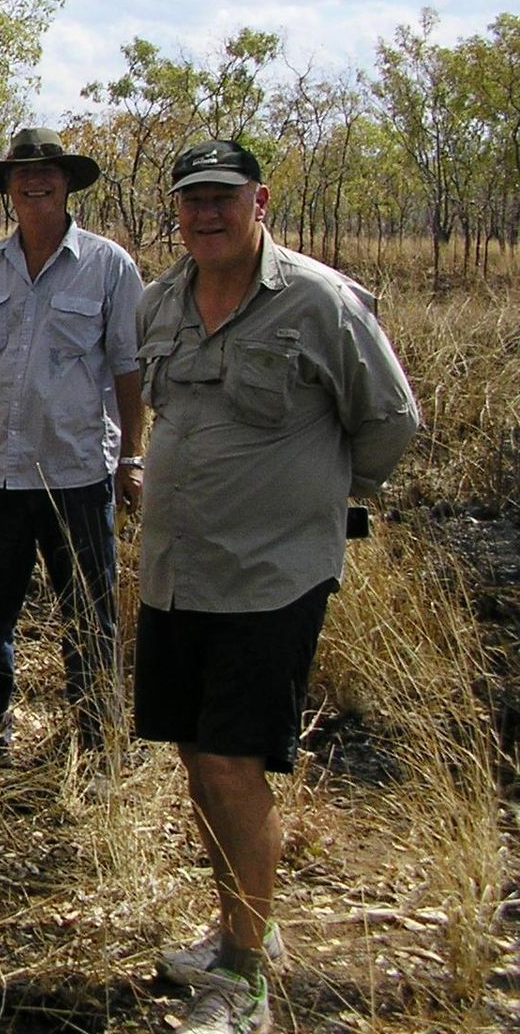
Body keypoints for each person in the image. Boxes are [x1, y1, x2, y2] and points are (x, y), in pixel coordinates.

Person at [134, 141, 418, 1034]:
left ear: (258, 200)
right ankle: (237, 933)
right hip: (177, 576)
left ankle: (246, 980)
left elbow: (388, 424)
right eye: (191, 200)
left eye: (222, 198)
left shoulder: (320, 301)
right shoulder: (159, 301)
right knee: (197, 761)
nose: (206, 214)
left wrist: (318, 500)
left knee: (231, 765)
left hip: (269, 581)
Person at [0, 127, 145, 758]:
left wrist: (133, 457)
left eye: (47, 173)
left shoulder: (109, 265)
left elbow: (129, 369)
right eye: (21, 174)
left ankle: (99, 748)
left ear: (66, 183)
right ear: (7, 189)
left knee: (89, 619)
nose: (35, 182)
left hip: (77, 477)